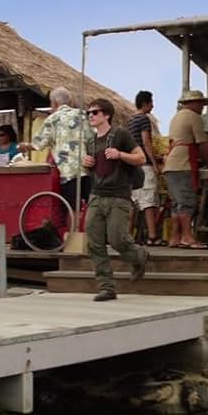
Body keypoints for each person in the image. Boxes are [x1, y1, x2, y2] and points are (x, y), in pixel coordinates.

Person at [81, 98, 148, 302]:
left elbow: (141, 158)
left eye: (95, 112)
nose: (91, 115)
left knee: (118, 239)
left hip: (119, 196)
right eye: (89, 113)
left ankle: (138, 256)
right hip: (97, 195)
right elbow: (96, 170)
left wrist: (120, 154)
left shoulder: (120, 134)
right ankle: (106, 287)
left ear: (107, 115)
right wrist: (86, 164)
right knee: (93, 242)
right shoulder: (90, 142)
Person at [18, 87, 93, 218]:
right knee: (89, 208)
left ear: (54, 103)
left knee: (72, 210)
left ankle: (73, 232)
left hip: (68, 172)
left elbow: (38, 144)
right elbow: (92, 138)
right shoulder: (82, 115)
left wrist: (24, 146)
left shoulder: (52, 119)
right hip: (87, 169)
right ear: (69, 101)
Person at [164, 90, 208, 249]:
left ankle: (175, 237)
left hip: (171, 165)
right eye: (200, 104)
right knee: (187, 202)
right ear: (193, 103)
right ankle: (187, 237)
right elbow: (203, 144)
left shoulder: (176, 117)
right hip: (183, 164)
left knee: (177, 203)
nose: (202, 107)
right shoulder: (194, 117)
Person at [128, 90, 163, 246]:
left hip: (133, 166)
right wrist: (154, 163)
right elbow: (146, 142)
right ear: (145, 103)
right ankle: (152, 236)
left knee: (134, 201)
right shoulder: (143, 119)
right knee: (148, 201)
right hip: (144, 165)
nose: (153, 106)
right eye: (151, 102)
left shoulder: (131, 121)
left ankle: (128, 235)